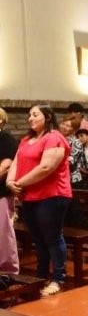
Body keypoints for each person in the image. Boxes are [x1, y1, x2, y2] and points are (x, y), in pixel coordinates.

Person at [6, 104, 72, 296]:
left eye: (35, 115)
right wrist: (10, 181)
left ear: (48, 117)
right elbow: (16, 161)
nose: (30, 118)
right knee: (38, 239)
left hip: (53, 195)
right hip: (30, 195)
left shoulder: (55, 138)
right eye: (29, 115)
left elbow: (46, 167)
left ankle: (58, 278)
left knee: (52, 237)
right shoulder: (27, 139)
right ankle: (41, 276)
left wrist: (19, 183)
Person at [0, 108, 19, 275]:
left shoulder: (7, 140)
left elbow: (5, 166)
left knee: (4, 232)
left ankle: (9, 272)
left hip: (2, 193)